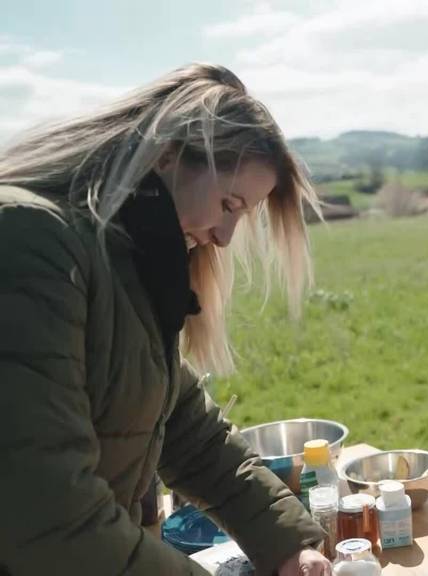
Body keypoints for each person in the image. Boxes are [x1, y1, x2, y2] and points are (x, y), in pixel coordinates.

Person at [0, 63, 333, 575]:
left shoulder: (121, 262)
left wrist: (288, 545)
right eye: (229, 204)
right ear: (168, 155)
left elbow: (185, 430)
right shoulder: (30, 243)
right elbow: (50, 515)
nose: (224, 237)